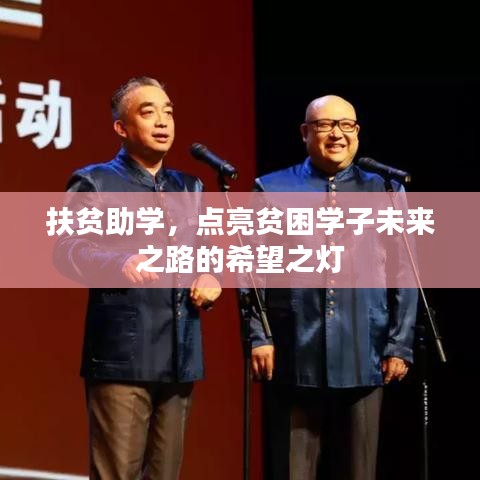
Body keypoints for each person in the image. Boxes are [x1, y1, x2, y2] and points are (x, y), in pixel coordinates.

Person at [55, 76, 221, 479]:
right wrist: (117, 261)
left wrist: (210, 274)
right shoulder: (95, 181)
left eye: (168, 112)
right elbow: (66, 250)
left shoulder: (190, 186)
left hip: (179, 353)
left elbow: (203, 249)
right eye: (148, 113)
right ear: (121, 127)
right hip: (123, 356)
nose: (162, 121)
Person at [245, 95, 418, 480]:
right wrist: (260, 336)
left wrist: (399, 344)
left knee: (360, 470)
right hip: (294, 354)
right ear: (305, 133)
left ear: (357, 132)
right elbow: (252, 271)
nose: (337, 134)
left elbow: (406, 272)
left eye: (346, 125)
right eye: (325, 125)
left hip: (365, 352)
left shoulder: (386, 190)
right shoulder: (271, 188)